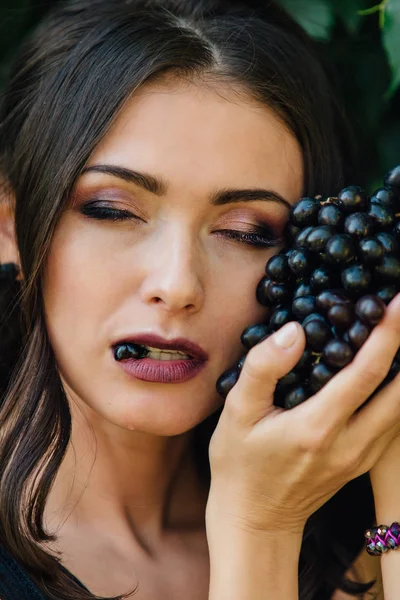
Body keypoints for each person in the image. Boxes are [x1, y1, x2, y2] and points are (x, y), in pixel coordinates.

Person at [0, 0, 399, 598]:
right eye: (113, 211)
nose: (179, 284)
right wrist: (259, 528)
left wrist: (388, 471)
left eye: (246, 233)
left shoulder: (344, 530)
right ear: (9, 222)